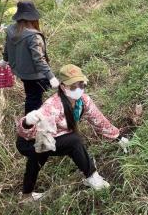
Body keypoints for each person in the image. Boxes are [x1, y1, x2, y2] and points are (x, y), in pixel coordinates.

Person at [16, 64, 123, 202]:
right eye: (73, 86)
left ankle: (26, 196)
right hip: (29, 141)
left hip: (49, 139)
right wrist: (27, 122)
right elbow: (31, 132)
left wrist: (118, 136)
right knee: (73, 141)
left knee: (38, 159)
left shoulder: (83, 101)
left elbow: (99, 120)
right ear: (62, 87)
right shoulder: (52, 106)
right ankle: (92, 177)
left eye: (81, 85)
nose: (78, 89)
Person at [3, 1, 59, 115]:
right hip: (36, 75)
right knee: (36, 100)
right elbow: (38, 59)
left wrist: (5, 60)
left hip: (23, 73)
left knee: (31, 96)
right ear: (33, 18)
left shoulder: (11, 30)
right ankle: (30, 125)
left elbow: (7, 48)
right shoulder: (33, 36)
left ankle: (32, 121)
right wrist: (51, 76)